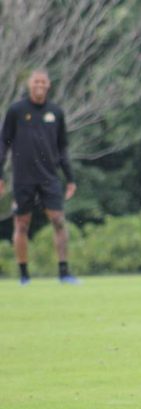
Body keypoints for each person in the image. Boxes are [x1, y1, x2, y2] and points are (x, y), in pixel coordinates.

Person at [0, 69, 78, 285]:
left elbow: (62, 148)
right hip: (23, 177)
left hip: (49, 177)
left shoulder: (56, 112)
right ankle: (24, 274)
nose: (40, 85)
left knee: (59, 221)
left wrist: (70, 178)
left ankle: (64, 272)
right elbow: (3, 143)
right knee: (22, 225)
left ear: (49, 85)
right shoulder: (16, 110)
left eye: (43, 82)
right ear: (29, 84)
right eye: (36, 82)